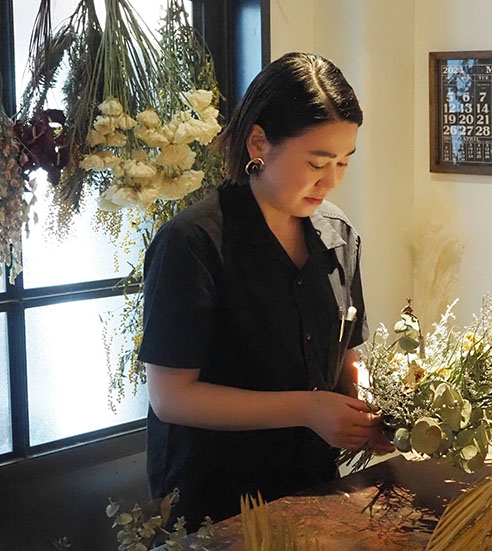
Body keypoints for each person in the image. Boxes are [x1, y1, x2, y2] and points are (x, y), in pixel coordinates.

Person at [138, 52, 394, 528]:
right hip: (217, 498)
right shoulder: (194, 241)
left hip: (314, 486)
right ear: (259, 142)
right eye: (317, 161)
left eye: (343, 161)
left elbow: (343, 359)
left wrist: (370, 415)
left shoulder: (338, 234)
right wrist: (308, 409)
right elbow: (170, 396)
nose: (332, 179)